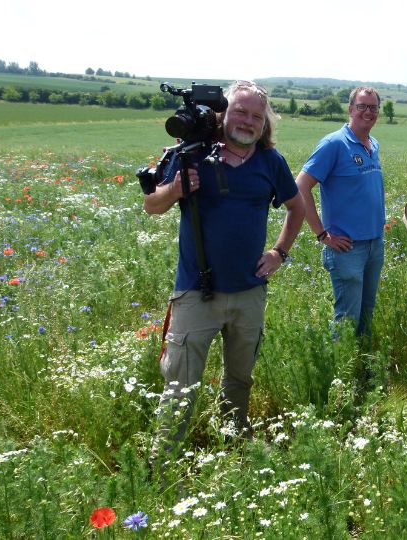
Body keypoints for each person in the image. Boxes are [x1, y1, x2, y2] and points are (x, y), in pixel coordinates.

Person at [144, 81, 305, 450]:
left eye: (256, 116)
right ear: (223, 114)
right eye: (240, 112)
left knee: (239, 378)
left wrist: (279, 253)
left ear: (265, 124)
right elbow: (152, 205)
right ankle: (163, 462)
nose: (247, 121)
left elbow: (296, 207)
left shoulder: (271, 162)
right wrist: (176, 189)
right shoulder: (192, 153)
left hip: (249, 291)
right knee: (180, 384)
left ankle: (234, 441)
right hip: (196, 293)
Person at [296, 86, 385, 337]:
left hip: (374, 244)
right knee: (347, 319)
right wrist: (322, 234)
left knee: (367, 314)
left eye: (373, 107)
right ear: (350, 109)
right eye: (362, 106)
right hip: (347, 248)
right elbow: (301, 186)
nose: (368, 112)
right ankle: (340, 373)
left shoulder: (372, 144)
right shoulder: (334, 144)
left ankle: (363, 371)